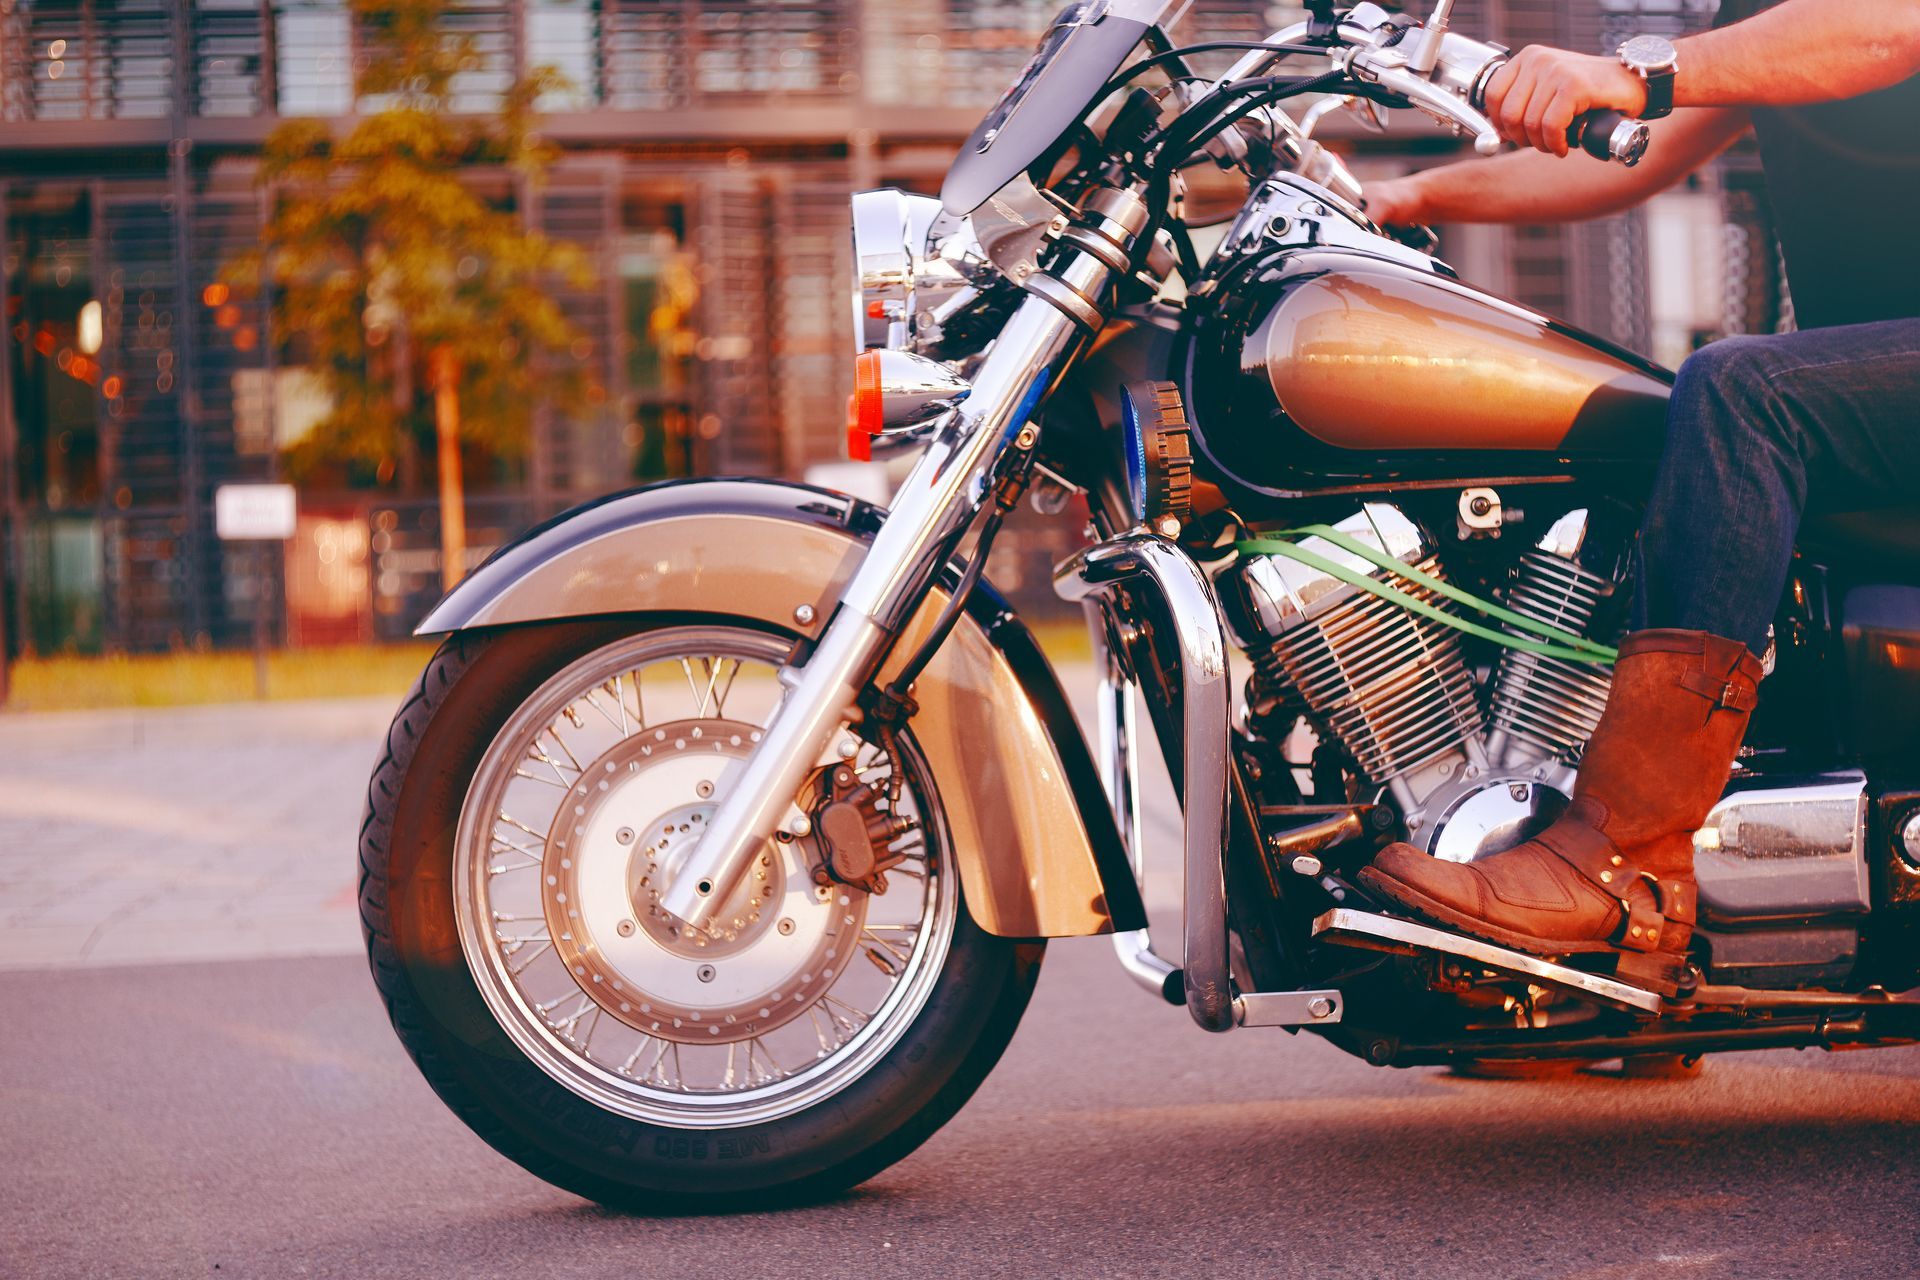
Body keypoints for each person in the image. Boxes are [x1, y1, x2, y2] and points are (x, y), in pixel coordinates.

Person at [1354, 0, 1920, 995]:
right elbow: (1635, 154)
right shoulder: (1761, 21)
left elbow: (1887, 30)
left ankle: (1625, 868)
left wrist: (1637, 70)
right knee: (1623, 421)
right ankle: (1557, 928)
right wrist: (1402, 199)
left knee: (1744, 394)